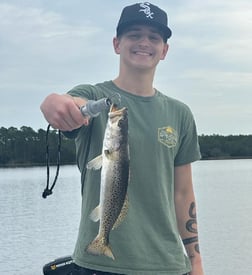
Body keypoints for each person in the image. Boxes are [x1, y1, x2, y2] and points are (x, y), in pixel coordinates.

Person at [40, 2, 204, 275]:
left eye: (154, 37)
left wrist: (196, 261)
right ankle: (102, 239)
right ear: (117, 44)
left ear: (164, 50)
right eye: (134, 34)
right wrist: (53, 103)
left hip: (170, 265)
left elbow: (183, 193)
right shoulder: (94, 96)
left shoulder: (180, 113)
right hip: (100, 265)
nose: (144, 42)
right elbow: (70, 103)